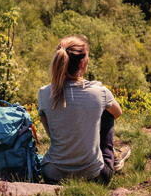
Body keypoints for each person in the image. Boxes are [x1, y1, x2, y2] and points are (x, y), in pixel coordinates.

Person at [37, 35, 130, 184]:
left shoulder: (44, 93)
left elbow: (50, 132)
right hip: (94, 176)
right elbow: (117, 113)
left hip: (52, 176)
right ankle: (112, 156)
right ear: (81, 63)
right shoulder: (98, 91)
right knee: (107, 112)